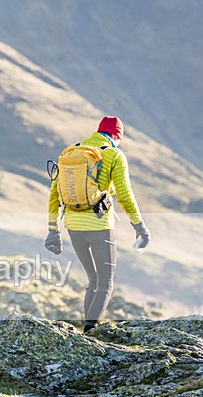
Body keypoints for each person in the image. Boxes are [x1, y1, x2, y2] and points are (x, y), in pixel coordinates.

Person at [45, 116, 150, 333]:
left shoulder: (71, 152)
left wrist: (52, 230)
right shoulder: (113, 154)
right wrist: (139, 226)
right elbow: (124, 193)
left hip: (73, 225)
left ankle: (87, 330)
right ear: (116, 136)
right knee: (105, 283)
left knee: (92, 280)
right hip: (99, 225)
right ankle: (89, 334)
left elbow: (54, 193)